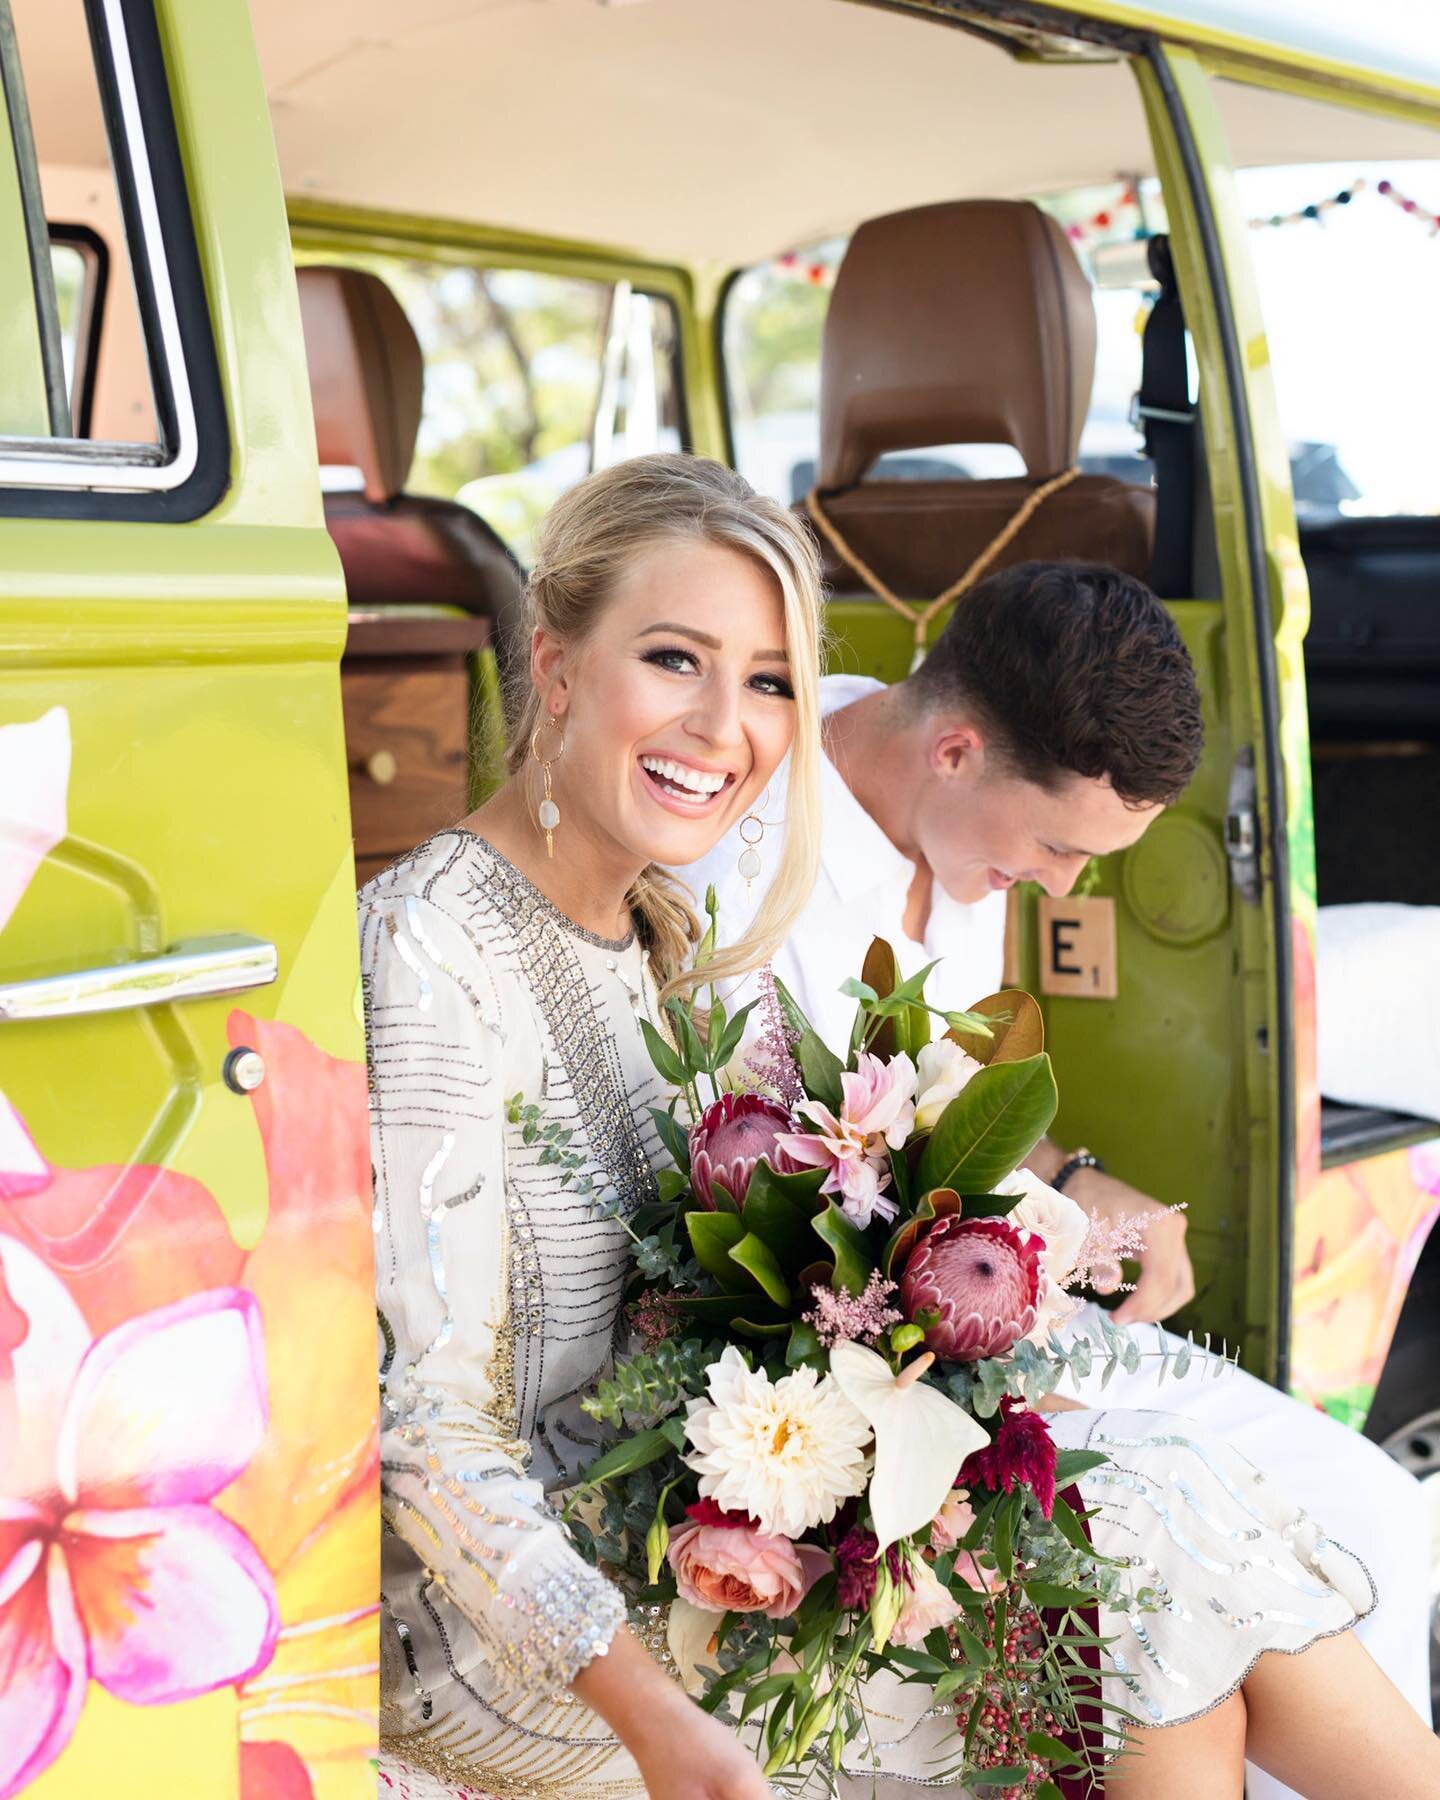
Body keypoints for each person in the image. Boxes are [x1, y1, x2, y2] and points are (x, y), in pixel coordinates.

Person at [366, 472, 1435, 1800]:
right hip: (528, 1619)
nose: (729, 729)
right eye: (672, 661)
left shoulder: (666, 930)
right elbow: (429, 1436)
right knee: (1168, 1556)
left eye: (770, 683)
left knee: (1179, 1558)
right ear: (557, 662)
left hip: (713, 1502)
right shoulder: (434, 945)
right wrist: (653, 1711)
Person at [678, 557, 1435, 1796]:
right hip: (849, 1363)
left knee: (1379, 1515)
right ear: (958, 750)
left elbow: (953, 1114)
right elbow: (743, 1220)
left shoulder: (959, 824)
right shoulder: (746, 867)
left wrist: (1083, 1183)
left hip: (998, 1311)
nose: (1066, 888)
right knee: (1203, 1531)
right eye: (1057, 847)